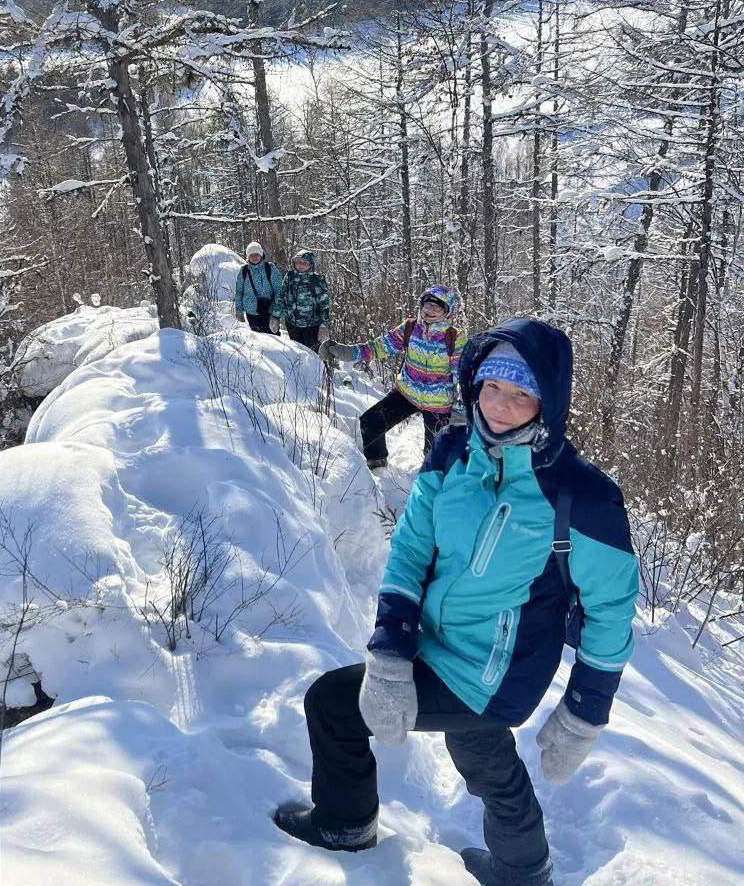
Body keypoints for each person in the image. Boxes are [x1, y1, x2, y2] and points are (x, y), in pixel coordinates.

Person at [273, 318, 640, 886]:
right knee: (482, 757)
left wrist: (585, 712)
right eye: (492, 386)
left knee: (333, 706)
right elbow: (412, 550)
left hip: (496, 674)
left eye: (522, 393)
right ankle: (525, 870)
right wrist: (391, 649)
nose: (500, 404)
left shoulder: (581, 497)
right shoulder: (452, 452)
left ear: (550, 400)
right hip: (434, 645)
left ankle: (345, 826)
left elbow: (612, 613)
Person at [319, 284, 461, 468]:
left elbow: (464, 376)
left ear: (447, 311)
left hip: (439, 404)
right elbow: (379, 347)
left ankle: (431, 488)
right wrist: (346, 352)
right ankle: (377, 465)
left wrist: (461, 412)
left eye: (437, 307)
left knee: (435, 456)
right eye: (427, 305)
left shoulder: (455, 338)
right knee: (371, 422)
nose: (430, 311)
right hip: (407, 394)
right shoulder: (410, 328)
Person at [277, 249, 330, 352]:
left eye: (304, 263)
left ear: (311, 265)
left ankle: (321, 368)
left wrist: (324, 325)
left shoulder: (317, 280)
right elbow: (281, 296)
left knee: (313, 353)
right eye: (298, 262)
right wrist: (275, 316)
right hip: (292, 323)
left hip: (311, 326)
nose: (300, 265)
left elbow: (325, 305)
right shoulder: (290, 277)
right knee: (298, 352)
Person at [234, 242, 282, 335]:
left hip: (269, 311)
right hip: (251, 312)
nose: (254, 257)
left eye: (256, 254)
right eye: (251, 255)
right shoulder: (244, 271)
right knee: (258, 341)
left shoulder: (270, 268)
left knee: (273, 340)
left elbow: (278, 290)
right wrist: (238, 310)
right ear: (248, 257)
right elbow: (239, 291)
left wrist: (276, 313)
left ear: (261, 254)